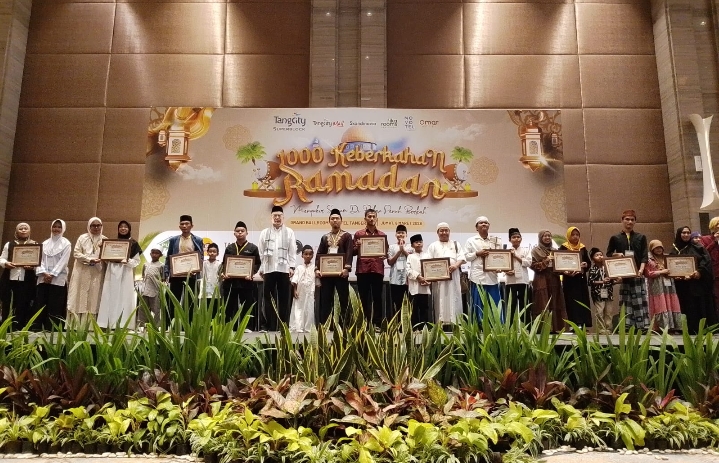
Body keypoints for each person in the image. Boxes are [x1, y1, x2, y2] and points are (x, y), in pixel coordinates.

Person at [606, 209, 649, 330]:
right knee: (626, 300)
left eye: (632, 220)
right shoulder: (615, 238)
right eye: (627, 219)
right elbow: (608, 254)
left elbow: (644, 256)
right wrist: (617, 255)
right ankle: (626, 326)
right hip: (623, 275)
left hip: (638, 274)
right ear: (622, 220)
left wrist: (641, 270)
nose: (629, 222)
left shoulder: (641, 237)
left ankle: (642, 326)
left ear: (635, 221)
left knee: (639, 299)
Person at [671, 226, 717, 333]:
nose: (686, 235)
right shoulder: (675, 250)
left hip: (698, 284)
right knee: (687, 305)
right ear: (679, 234)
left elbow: (706, 261)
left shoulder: (698, 247)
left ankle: (704, 328)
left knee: (701, 304)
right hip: (683, 286)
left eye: (688, 233)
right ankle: (690, 329)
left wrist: (699, 272)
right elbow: (671, 266)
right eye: (683, 233)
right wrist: (675, 275)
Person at [97, 221, 142, 329]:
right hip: (111, 272)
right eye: (121, 227)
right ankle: (107, 323)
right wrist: (105, 253)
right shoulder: (112, 243)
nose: (123, 228)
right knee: (109, 296)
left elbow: (136, 261)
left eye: (125, 227)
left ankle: (123, 324)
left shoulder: (133, 243)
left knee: (124, 297)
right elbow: (106, 259)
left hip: (125, 272)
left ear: (129, 229)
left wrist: (126, 261)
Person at [258, 205, 297, 331]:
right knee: (268, 298)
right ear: (271, 217)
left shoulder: (289, 232)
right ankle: (267, 326)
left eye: (279, 216)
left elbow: (292, 251)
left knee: (284, 299)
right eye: (275, 216)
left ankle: (283, 325)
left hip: (284, 269)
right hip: (268, 269)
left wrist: (292, 267)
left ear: (283, 217)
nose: (277, 218)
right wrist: (262, 268)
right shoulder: (264, 233)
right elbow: (261, 252)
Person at [315, 209, 353, 325]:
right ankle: (325, 325)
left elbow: (349, 252)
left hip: (341, 273)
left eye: (337, 218)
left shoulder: (347, 236)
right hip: (326, 274)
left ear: (341, 221)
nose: (335, 220)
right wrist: (317, 269)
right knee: (326, 299)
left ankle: (344, 325)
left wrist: (347, 268)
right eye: (332, 218)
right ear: (329, 221)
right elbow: (319, 254)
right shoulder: (324, 237)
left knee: (343, 299)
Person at [67, 217, 107, 324]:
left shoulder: (105, 240)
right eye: (93, 225)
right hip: (82, 271)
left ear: (101, 226)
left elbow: (108, 256)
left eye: (98, 225)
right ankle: (76, 325)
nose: (96, 227)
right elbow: (76, 253)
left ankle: (90, 325)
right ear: (89, 226)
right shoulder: (82, 238)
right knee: (79, 296)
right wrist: (89, 259)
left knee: (94, 298)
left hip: (97, 273)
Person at [222, 221, 261, 328]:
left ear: (247, 233)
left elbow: (257, 263)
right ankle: (229, 326)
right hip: (231, 282)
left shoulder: (253, 248)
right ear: (234, 233)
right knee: (230, 305)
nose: (240, 233)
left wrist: (251, 273)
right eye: (238, 231)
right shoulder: (230, 248)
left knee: (247, 304)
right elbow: (224, 263)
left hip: (246, 282)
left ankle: (247, 327)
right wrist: (224, 273)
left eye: (242, 231)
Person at [164, 214, 204, 319]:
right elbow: (168, 257)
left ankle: (188, 325)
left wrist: (197, 269)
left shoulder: (198, 240)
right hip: (176, 275)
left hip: (191, 275)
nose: (184, 226)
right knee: (174, 301)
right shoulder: (173, 240)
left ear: (192, 225)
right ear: (179, 226)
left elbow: (201, 257)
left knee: (190, 302)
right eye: (182, 224)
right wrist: (166, 272)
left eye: (187, 224)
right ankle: (173, 324)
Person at [353, 209, 387, 327]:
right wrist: (357, 247)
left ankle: (377, 324)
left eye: (373, 216)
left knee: (377, 298)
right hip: (363, 270)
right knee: (363, 298)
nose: (371, 218)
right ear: (365, 219)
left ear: (376, 219)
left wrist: (384, 255)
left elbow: (386, 252)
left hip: (377, 270)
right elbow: (352, 252)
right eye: (369, 216)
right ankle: (364, 324)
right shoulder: (359, 234)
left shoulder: (382, 235)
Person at [35, 219, 71, 330]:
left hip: (57, 279)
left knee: (55, 305)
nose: (56, 229)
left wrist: (52, 274)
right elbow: (39, 260)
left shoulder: (66, 243)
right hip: (43, 278)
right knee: (41, 303)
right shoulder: (45, 243)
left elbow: (63, 262)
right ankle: (39, 328)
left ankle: (52, 329)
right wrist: (44, 273)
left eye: (59, 227)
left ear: (63, 229)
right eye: (54, 226)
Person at [464, 216, 502, 321]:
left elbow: (500, 256)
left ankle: (496, 326)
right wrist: (477, 253)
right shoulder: (471, 240)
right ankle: (479, 325)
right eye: (481, 223)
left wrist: (500, 267)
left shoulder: (496, 240)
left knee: (494, 304)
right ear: (476, 227)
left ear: (489, 226)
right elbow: (466, 257)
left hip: (492, 277)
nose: (484, 224)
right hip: (477, 277)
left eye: (486, 222)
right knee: (478, 304)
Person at [427, 222, 465, 326]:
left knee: (454, 298)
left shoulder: (456, 244)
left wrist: (455, 266)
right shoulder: (433, 246)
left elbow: (461, 257)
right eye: (441, 230)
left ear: (449, 232)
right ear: (437, 232)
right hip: (438, 279)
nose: (444, 232)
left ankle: (455, 323)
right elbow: (428, 262)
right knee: (440, 299)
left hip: (453, 277)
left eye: (446, 230)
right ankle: (440, 323)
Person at [0, 223, 37, 328]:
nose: (23, 230)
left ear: (29, 231)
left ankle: (20, 329)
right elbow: (2, 258)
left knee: (23, 305)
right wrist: (6, 264)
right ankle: (6, 329)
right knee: (8, 304)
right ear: (16, 231)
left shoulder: (34, 244)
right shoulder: (9, 244)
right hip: (10, 280)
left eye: (26, 228)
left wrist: (32, 267)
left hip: (26, 281)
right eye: (21, 229)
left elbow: (39, 263)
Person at [531, 230, 568, 333]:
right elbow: (533, 265)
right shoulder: (535, 250)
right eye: (545, 236)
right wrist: (546, 260)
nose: (547, 238)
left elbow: (559, 265)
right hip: (541, 279)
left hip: (554, 279)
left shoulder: (555, 250)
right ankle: (545, 328)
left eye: (549, 236)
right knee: (543, 302)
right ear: (540, 238)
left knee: (555, 301)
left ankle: (557, 327)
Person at [644, 240, 682, 332]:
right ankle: (661, 327)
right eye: (656, 248)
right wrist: (661, 272)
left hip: (669, 285)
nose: (659, 250)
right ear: (652, 249)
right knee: (660, 304)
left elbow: (673, 269)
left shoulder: (667, 257)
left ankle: (673, 326)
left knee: (671, 302)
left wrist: (677, 275)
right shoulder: (648, 260)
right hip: (656, 285)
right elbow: (648, 273)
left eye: (660, 247)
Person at [559, 226, 592, 329]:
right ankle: (572, 324)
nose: (575, 237)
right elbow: (559, 263)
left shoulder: (582, 247)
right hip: (569, 280)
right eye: (572, 235)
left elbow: (588, 262)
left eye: (577, 235)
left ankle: (582, 324)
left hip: (580, 280)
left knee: (582, 301)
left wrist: (585, 264)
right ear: (568, 236)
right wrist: (566, 272)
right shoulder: (563, 247)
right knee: (571, 301)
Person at [504, 228, 532, 324]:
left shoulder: (526, 250)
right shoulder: (506, 251)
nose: (516, 239)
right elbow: (503, 264)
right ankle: (510, 327)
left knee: (524, 305)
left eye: (518, 237)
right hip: (510, 281)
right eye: (513, 237)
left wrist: (515, 255)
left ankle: (526, 327)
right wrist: (506, 271)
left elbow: (528, 263)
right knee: (511, 305)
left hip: (523, 281)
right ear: (510, 240)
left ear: (521, 239)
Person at [406, 234, 431, 329]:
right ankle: (415, 328)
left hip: (425, 286)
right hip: (414, 287)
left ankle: (424, 329)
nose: (419, 244)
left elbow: (431, 270)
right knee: (414, 309)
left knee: (424, 308)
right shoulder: (410, 257)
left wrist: (429, 280)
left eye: (420, 242)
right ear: (412, 245)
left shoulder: (427, 256)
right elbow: (408, 270)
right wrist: (418, 277)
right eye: (416, 242)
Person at [289, 245, 317, 333]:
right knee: (299, 308)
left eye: (310, 254)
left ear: (313, 255)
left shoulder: (315, 268)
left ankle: (308, 327)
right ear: (302, 255)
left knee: (309, 309)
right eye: (306, 254)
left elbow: (317, 281)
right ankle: (298, 327)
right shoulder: (299, 267)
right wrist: (294, 290)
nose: (308, 256)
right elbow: (295, 281)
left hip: (310, 292)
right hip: (300, 292)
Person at [587, 248, 614, 334]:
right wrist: (602, 281)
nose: (600, 256)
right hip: (597, 293)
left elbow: (612, 280)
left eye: (601, 255)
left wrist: (618, 279)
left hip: (608, 292)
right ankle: (601, 329)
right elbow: (590, 282)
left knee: (609, 312)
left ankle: (609, 328)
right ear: (592, 259)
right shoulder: (592, 269)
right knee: (599, 312)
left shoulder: (607, 268)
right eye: (597, 255)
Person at [387, 224, 411, 319]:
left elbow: (413, 260)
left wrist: (404, 250)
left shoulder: (410, 247)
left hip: (407, 279)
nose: (400, 234)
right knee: (396, 303)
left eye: (402, 233)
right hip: (395, 279)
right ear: (395, 234)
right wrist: (398, 251)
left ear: (406, 234)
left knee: (408, 303)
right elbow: (390, 262)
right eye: (399, 233)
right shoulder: (391, 247)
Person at [139, 248, 164, 328]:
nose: (154, 255)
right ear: (150, 254)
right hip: (145, 290)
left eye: (157, 253)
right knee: (143, 308)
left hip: (155, 290)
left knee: (156, 309)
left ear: (160, 255)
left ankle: (156, 327)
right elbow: (143, 276)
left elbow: (163, 278)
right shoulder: (145, 264)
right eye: (153, 253)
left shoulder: (161, 266)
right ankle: (142, 326)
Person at [700, 217, 719, 317]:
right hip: (713, 273)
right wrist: (715, 241)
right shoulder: (705, 239)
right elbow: (703, 253)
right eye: (717, 224)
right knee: (716, 297)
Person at [201, 243, 222, 314]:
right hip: (204, 292)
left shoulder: (220, 264)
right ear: (207, 252)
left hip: (215, 292)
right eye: (210, 251)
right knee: (204, 312)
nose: (212, 253)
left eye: (214, 252)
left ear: (218, 253)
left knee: (214, 311)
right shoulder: (203, 263)